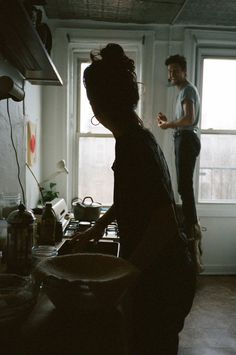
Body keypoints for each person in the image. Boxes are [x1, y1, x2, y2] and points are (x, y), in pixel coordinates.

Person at [71, 44, 196, 355]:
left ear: (98, 104)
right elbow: (135, 198)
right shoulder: (135, 137)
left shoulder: (133, 146)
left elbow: (165, 221)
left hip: (164, 281)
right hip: (164, 274)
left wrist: (123, 274)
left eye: (91, 100)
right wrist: (98, 226)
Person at [157, 54, 204, 273]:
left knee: (184, 186)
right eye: (169, 71)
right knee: (183, 186)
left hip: (186, 139)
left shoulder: (187, 90)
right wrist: (168, 122)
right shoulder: (183, 92)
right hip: (182, 138)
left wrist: (169, 125)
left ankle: (192, 228)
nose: (171, 75)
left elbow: (188, 119)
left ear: (184, 71)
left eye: (175, 71)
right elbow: (182, 120)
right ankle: (190, 226)